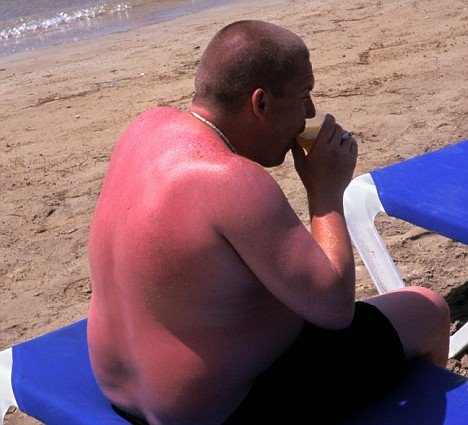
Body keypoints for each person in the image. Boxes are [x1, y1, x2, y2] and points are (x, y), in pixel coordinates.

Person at [87, 20, 450, 425]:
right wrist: (325, 193)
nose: (309, 113)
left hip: (119, 387)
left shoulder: (144, 128)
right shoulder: (233, 179)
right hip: (216, 412)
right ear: (260, 103)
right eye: (304, 96)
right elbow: (334, 310)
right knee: (426, 309)